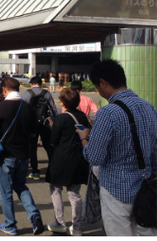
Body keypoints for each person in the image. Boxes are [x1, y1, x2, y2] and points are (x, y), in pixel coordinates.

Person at [76, 60, 157, 236]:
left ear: (103, 83)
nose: (99, 91)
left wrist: (84, 140)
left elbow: (94, 157)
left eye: (98, 86)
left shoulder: (108, 113)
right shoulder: (149, 107)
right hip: (146, 188)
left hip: (116, 190)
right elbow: (156, 151)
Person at [0, 76, 44, 236]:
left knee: (6, 192)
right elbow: (34, 132)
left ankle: (10, 225)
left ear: (5, 90)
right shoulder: (27, 108)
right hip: (24, 154)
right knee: (21, 186)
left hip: (6, 155)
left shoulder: (1, 107)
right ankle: (35, 216)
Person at [45, 88, 91, 236]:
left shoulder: (61, 119)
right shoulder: (83, 117)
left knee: (56, 189)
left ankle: (60, 223)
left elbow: (54, 140)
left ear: (63, 102)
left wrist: (52, 127)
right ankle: (77, 227)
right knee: (74, 193)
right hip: (78, 158)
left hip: (61, 159)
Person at [22, 76, 58, 181]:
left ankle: (35, 171)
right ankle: (52, 169)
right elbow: (54, 110)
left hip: (31, 125)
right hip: (45, 123)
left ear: (32, 84)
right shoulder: (46, 93)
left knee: (32, 148)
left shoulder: (27, 93)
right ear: (40, 84)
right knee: (48, 146)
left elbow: (23, 110)